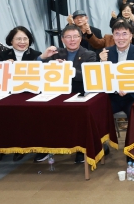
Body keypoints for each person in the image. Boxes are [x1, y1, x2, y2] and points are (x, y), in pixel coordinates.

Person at [39, 24, 98, 163]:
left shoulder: (90, 54)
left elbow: (88, 77)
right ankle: (47, 147)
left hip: (79, 93)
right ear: (62, 39)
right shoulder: (55, 53)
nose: (72, 40)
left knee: (79, 113)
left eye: (75, 36)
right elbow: (37, 71)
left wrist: (67, 69)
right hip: (57, 93)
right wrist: (43, 57)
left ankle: (81, 148)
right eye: (68, 37)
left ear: (81, 38)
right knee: (42, 110)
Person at [0, 26, 44, 163]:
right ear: (11, 41)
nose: (22, 42)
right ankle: (2, 147)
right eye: (18, 39)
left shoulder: (36, 54)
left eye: (25, 39)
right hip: (7, 93)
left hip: (29, 94)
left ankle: (22, 147)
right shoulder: (3, 54)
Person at [101, 21, 134, 119]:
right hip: (112, 96)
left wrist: (128, 88)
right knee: (99, 112)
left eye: (124, 34)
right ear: (113, 36)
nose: (121, 38)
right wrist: (102, 62)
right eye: (117, 34)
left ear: (130, 36)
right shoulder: (106, 52)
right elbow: (102, 78)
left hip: (132, 96)